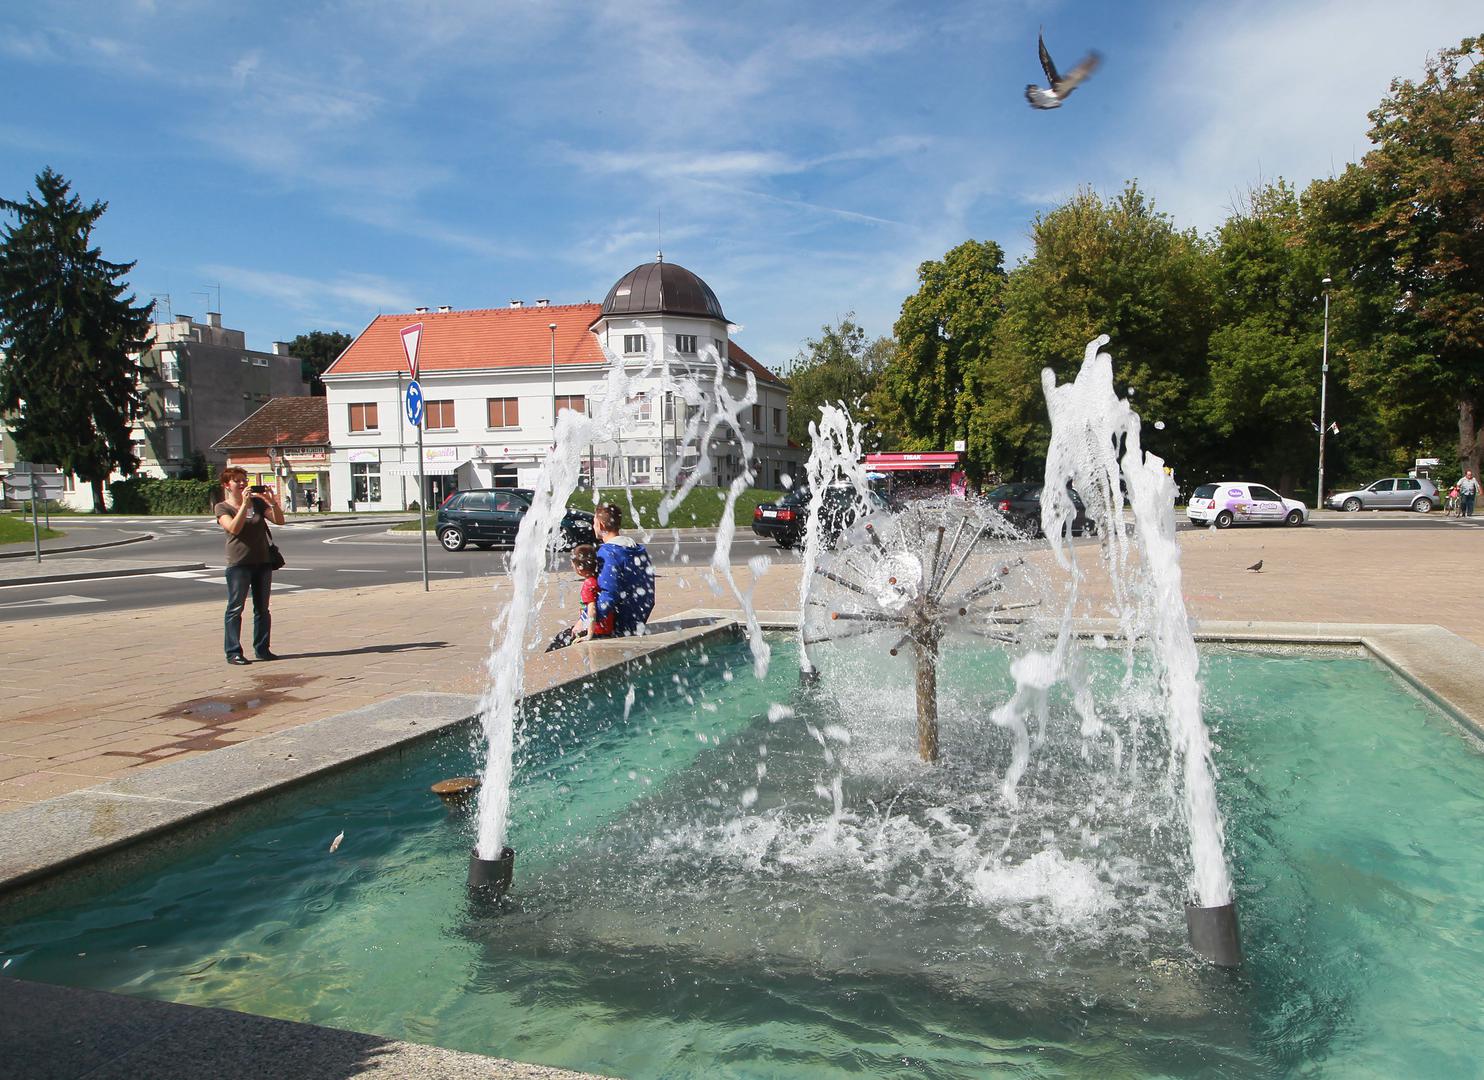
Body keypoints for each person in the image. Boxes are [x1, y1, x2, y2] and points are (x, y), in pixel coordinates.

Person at [215, 467, 284, 665]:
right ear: (227, 485)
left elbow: (280, 521)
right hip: (239, 563)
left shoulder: (258, 504)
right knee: (235, 608)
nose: (243, 483)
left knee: (262, 608)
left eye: (244, 480)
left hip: (262, 561)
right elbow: (234, 528)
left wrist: (272, 502)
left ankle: (262, 649)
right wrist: (244, 505)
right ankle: (233, 652)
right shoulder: (222, 507)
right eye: (237, 481)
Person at [593, 503, 655, 636]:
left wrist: (586, 620)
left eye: (594, 523)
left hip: (616, 626)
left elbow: (608, 594)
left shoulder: (608, 553)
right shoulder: (638, 550)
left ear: (601, 525)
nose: (593, 527)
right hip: (637, 620)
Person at [545, 544, 614, 651]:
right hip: (604, 628)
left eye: (573, 564)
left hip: (596, 630)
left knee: (559, 641)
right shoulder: (598, 580)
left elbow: (592, 609)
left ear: (579, 568)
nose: (572, 566)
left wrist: (589, 635)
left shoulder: (588, 584)